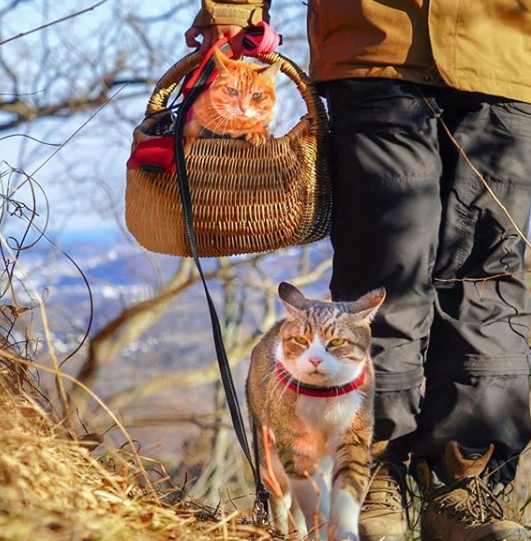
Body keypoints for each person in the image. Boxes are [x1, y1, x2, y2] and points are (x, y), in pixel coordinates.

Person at [185, 2, 531, 541]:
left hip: (510, 52)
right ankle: (369, 472)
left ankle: (467, 479)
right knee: (385, 269)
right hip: (375, 44)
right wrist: (233, 8)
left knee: (487, 270)